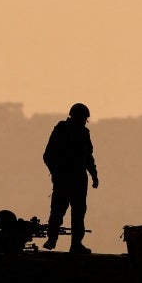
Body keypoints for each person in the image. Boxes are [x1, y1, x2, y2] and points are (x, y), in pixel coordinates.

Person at [42, 102, 99, 253]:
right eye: (83, 118)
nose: (84, 122)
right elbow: (48, 156)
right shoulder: (61, 129)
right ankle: (52, 239)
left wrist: (94, 175)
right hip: (64, 179)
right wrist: (56, 174)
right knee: (58, 210)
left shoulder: (84, 133)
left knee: (78, 213)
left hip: (79, 180)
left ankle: (76, 244)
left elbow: (88, 157)